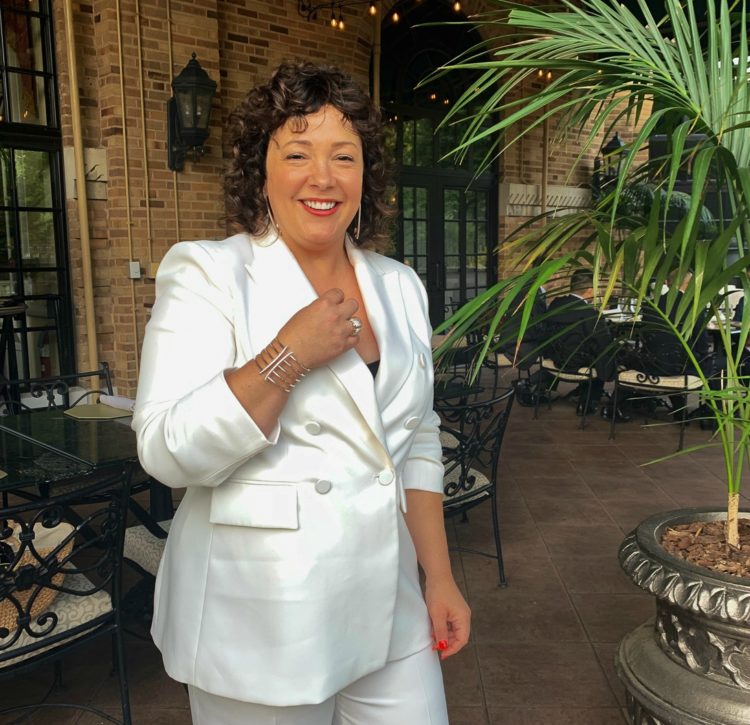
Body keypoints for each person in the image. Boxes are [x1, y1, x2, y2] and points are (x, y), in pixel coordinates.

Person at [131, 61, 469, 724]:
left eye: (345, 155)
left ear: (365, 174)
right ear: (261, 169)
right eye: (297, 153)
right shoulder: (209, 272)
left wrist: (440, 575)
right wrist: (288, 355)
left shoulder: (400, 286)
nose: (323, 177)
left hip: (387, 605)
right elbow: (166, 451)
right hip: (261, 620)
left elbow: (416, 434)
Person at [543, 268, 620, 417]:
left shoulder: (556, 304)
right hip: (576, 363)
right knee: (607, 353)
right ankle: (588, 402)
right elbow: (603, 343)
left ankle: (582, 391)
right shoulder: (589, 313)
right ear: (590, 290)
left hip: (555, 357)